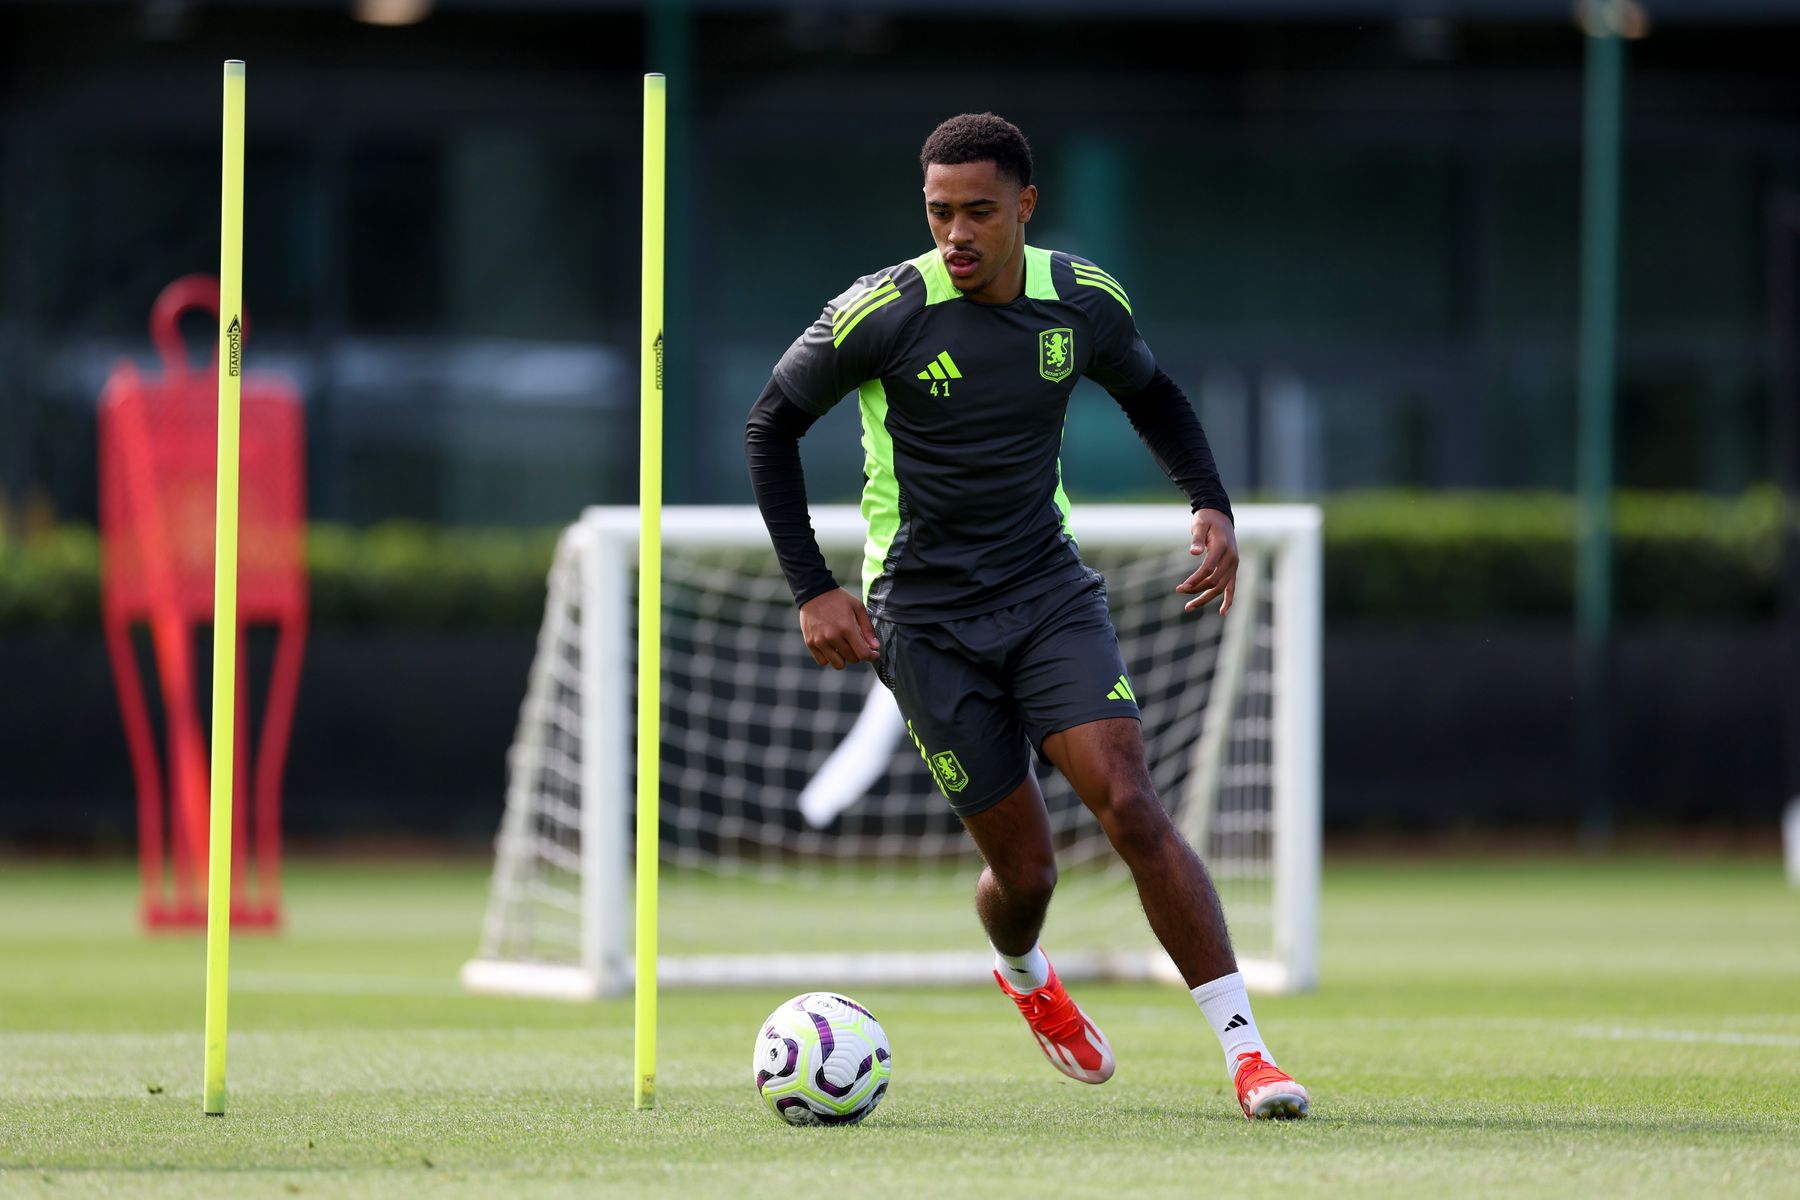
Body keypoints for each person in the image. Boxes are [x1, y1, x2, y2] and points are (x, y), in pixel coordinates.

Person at [743, 112, 1308, 1121]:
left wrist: (1208, 503)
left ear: (1025, 209)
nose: (956, 235)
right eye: (938, 214)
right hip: (922, 616)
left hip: (1046, 590)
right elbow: (769, 426)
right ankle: (1025, 972)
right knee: (1027, 871)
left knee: (1129, 803)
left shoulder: (1081, 301)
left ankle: (1249, 1055)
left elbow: (1155, 394)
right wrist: (811, 586)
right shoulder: (883, 311)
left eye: (978, 214)